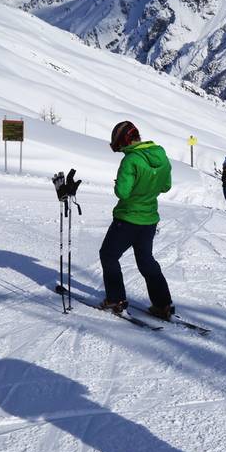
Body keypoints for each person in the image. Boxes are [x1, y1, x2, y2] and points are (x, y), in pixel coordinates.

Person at [99, 121, 174, 319]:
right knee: (146, 260)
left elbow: (122, 193)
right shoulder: (161, 156)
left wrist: (120, 183)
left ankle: (116, 299)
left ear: (123, 141)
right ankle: (163, 304)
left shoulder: (131, 160)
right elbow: (166, 186)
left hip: (128, 218)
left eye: (119, 145)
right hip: (149, 219)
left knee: (108, 255)